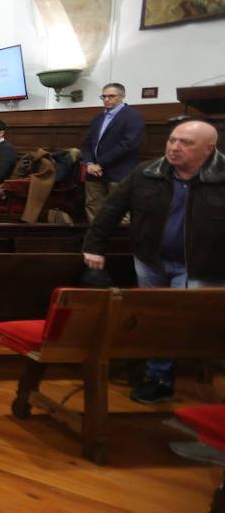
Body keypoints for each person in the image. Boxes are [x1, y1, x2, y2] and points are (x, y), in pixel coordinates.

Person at [82, 119, 224, 404]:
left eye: (186, 143)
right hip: (150, 260)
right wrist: (94, 246)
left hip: (199, 265)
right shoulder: (146, 172)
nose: (174, 147)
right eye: (172, 140)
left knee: (179, 321)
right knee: (155, 319)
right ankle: (158, 377)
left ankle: (172, 375)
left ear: (209, 149)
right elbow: (111, 209)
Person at [81, 82, 146, 222]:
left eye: (111, 96)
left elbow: (128, 144)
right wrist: (90, 163)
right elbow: (87, 143)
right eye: (103, 96)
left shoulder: (133, 116)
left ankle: (119, 243)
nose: (106, 100)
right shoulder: (98, 118)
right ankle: (95, 241)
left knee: (120, 209)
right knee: (94, 206)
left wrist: (100, 163)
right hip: (93, 172)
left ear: (122, 96)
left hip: (119, 171)